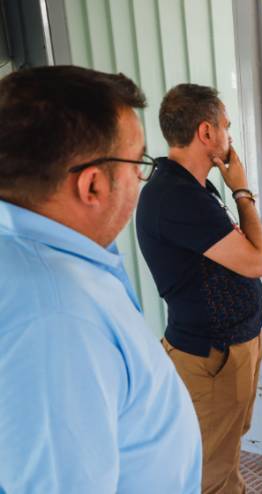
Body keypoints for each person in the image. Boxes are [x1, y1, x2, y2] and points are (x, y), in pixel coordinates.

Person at [0, 66, 201, 492]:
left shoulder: (43, 258)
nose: (140, 179)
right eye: (138, 163)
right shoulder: (54, 320)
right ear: (92, 185)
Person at [136, 83, 262, 494]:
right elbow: (258, 261)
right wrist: (242, 190)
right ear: (206, 132)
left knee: (226, 449)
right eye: (226, 126)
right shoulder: (176, 196)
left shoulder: (193, 189)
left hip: (231, 347)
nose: (230, 136)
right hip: (212, 357)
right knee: (212, 471)